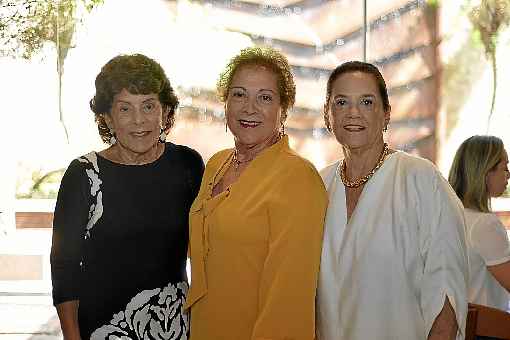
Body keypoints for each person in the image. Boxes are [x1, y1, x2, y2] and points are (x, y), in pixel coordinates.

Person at [50, 54, 204, 339]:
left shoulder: (188, 164)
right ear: (107, 117)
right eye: (125, 109)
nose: (138, 120)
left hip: (174, 329)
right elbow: (64, 269)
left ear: (166, 112)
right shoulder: (83, 175)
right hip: (103, 331)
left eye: (148, 106)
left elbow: (209, 247)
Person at [316, 61, 468, 340]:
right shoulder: (318, 186)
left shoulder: (422, 180)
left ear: (386, 114)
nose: (353, 113)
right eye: (341, 102)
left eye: (366, 101)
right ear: (328, 116)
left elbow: (446, 294)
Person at [185, 46, 328, 340]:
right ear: (225, 103)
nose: (249, 108)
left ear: (283, 109)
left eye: (265, 98)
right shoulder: (216, 164)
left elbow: (288, 299)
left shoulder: (299, 179)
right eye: (239, 94)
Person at [448, 135, 510, 312]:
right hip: (486, 330)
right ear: (485, 171)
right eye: (504, 167)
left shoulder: (450, 215)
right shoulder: (485, 224)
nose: (508, 174)